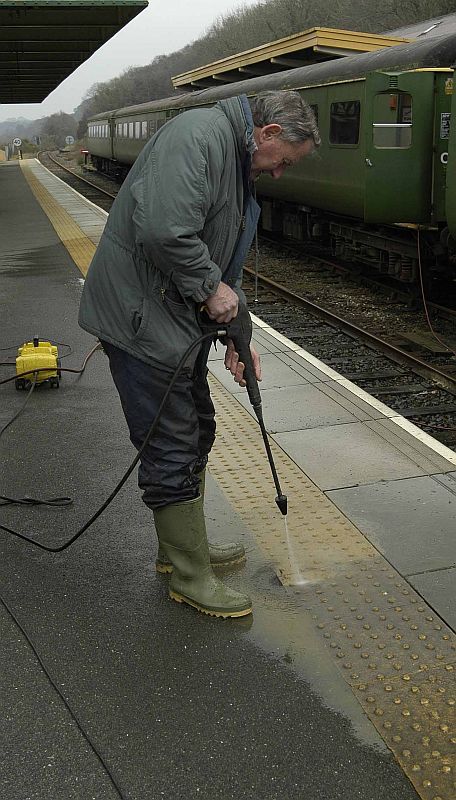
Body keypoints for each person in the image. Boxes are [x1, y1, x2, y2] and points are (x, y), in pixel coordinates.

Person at [79, 89, 320, 619]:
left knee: (196, 428)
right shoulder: (199, 138)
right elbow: (166, 232)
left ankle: (181, 549)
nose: (280, 175)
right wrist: (212, 291)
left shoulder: (231, 156)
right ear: (269, 134)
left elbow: (219, 260)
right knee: (171, 440)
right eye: (283, 163)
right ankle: (190, 577)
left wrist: (240, 335)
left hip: (166, 317)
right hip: (140, 319)